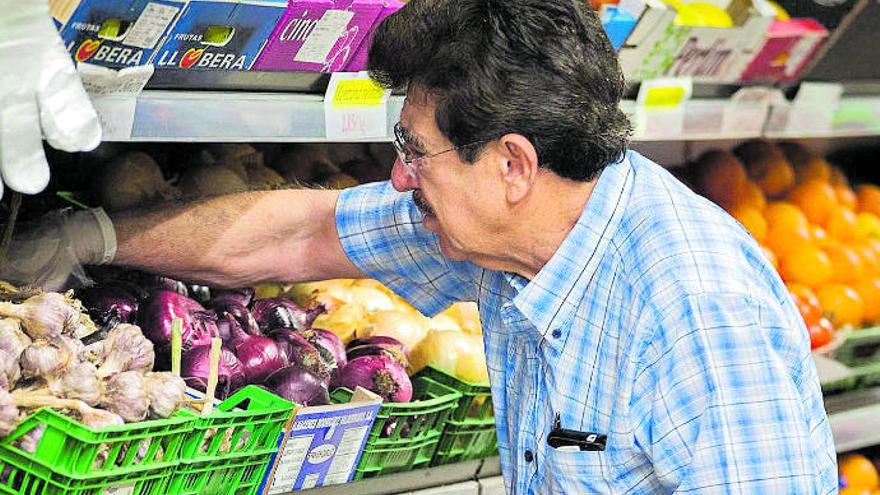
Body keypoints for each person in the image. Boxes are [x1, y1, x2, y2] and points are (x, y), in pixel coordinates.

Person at [5, 0, 837, 493]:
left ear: (512, 163)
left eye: (413, 151)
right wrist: (97, 234)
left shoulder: (696, 319)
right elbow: (301, 231)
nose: (398, 180)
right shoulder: (513, 224)